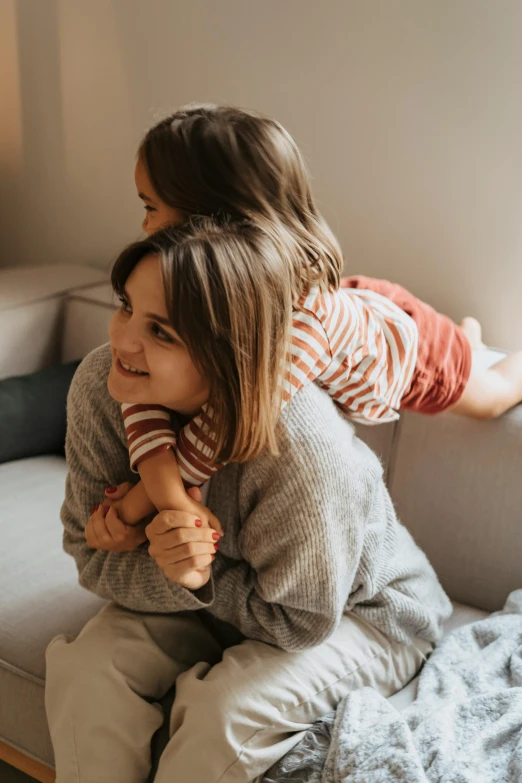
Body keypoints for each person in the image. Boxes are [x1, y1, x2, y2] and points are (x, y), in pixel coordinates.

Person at [45, 218, 452, 783]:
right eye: (125, 307)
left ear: (227, 356)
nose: (122, 339)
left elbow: (301, 623)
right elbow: (88, 555)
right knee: (87, 670)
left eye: (161, 332)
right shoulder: (102, 388)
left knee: (221, 715)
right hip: (232, 604)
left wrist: (198, 575)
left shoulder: (302, 448)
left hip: (365, 615)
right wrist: (182, 574)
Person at [109, 103, 522, 533]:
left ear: (209, 219)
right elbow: (140, 385)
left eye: (150, 207)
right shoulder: (215, 297)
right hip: (356, 307)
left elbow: (225, 425)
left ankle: (467, 345)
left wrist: (142, 502)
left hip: (413, 350)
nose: (144, 224)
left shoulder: (297, 329)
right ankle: (466, 338)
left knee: (493, 394)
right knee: (459, 345)